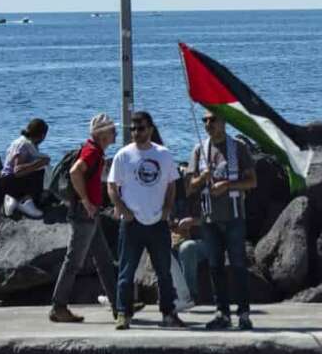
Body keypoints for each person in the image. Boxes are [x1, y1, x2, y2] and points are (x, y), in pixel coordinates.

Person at [108, 111, 185, 330]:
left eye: (140, 128)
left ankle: (168, 313)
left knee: (164, 272)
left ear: (150, 129)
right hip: (132, 223)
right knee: (126, 271)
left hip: (158, 223)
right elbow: (112, 186)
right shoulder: (123, 155)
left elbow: (172, 184)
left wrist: (167, 209)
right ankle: (123, 313)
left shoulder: (164, 154)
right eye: (132, 129)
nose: (136, 132)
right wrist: (123, 209)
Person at [187, 110, 257, 330]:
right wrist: (202, 178)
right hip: (209, 220)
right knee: (215, 267)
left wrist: (227, 185)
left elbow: (252, 182)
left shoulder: (238, 147)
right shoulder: (199, 149)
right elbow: (189, 187)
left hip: (234, 217)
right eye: (205, 120)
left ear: (224, 122)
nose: (208, 124)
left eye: (212, 119)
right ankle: (222, 313)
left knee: (238, 266)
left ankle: (244, 313)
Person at [49, 114, 119, 323]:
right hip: (84, 214)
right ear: (101, 133)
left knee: (105, 261)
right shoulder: (92, 151)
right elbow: (75, 171)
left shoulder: (94, 150)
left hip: (90, 214)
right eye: (112, 130)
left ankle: (119, 304)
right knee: (73, 261)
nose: (115, 133)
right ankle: (58, 307)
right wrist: (86, 201)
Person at [0, 118, 50, 218]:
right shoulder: (24, 145)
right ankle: (26, 201)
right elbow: (17, 171)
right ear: (42, 135)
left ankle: (13, 199)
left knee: (40, 167)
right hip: (10, 181)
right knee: (41, 171)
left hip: (7, 181)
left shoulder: (23, 142)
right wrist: (39, 164)